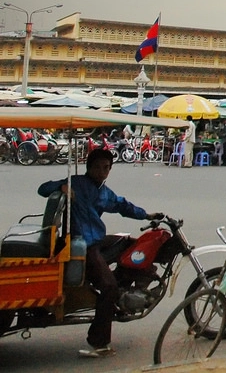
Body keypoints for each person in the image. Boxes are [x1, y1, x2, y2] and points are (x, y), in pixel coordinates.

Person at [38, 148, 164, 358]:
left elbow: (123, 205)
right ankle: (99, 342)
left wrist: (146, 215)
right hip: (83, 244)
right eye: (97, 167)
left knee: (132, 244)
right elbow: (43, 188)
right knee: (108, 287)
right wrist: (62, 186)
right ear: (89, 167)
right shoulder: (77, 182)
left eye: (106, 168)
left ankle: (131, 281)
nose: (102, 171)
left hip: (97, 239)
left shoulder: (103, 191)